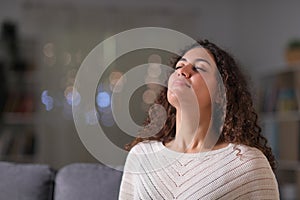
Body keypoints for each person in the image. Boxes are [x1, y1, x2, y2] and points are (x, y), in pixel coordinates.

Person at [118, 40, 279, 199]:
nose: (183, 71)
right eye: (179, 66)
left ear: (220, 93)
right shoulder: (141, 154)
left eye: (199, 68)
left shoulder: (247, 163)